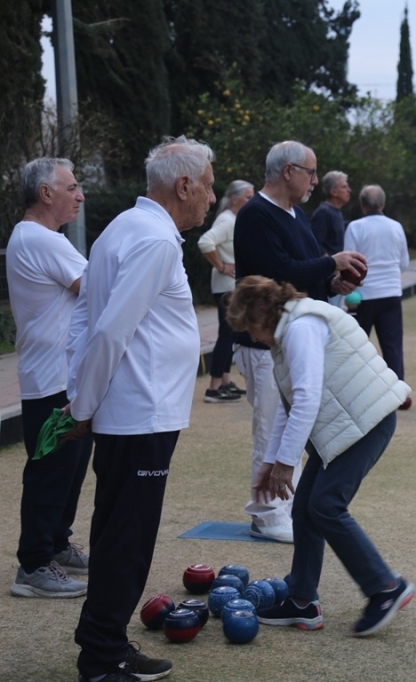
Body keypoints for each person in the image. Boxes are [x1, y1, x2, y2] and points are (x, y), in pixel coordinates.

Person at [66, 135, 216, 682]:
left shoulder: (121, 229)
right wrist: (81, 405)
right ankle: (103, 658)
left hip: (131, 413)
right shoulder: (155, 240)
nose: (211, 198)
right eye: (207, 186)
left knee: (114, 533)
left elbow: (84, 323)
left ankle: (100, 641)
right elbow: (107, 330)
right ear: (183, 185)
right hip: (142, 414)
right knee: (126, 540)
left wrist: (79, 395)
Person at [225, 276, 415, 637]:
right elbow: (289, 403)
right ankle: (302, 602)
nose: (251, 337)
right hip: (348, 425)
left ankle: (385, 588)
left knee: (326, 504)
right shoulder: (287, 332)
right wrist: (271, 462)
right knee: (305, 508)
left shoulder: (301, 328)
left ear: (263, 313)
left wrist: (285, 463)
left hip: (366, 421)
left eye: (250, 327)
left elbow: (308, 398)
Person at [233, 140, 367, 544]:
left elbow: (303, 272)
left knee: (293, 424)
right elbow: (276, 273)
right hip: (266, 342)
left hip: (299, 337)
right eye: (310, 172)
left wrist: (332, 280)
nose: (314, 179)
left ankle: (286, 505)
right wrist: (331, 262)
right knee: (270, 425)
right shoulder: (256, 214)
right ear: (287, 171)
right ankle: (268, 514)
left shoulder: (297, 213)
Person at [6, 158, 91, 600]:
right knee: (50, 471)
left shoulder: (37, 238)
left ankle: (55, 545)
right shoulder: (41, 239)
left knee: (70, 468)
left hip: (62, 374)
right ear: (45, 194)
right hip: (52, 377)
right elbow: (98, 287)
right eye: (72, 187)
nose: (79, 195)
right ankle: (34, 565)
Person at [344, 185, 412, 410]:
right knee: (392, 346)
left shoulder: (355, 226)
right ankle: (398, 393)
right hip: (391, 292)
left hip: (362, 296)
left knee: (357, 346)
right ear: (383, 204)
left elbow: (348, 263)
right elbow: (404, 263)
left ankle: (355, 395)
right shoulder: (396, 226)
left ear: (362, 205)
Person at [197, 179, 253, 403]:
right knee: (226, 334)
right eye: (248, 197)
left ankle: (226, 381)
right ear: (234, 199)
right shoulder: (227, 220)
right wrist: (221, 266)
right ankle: (214, 387)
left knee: (231, 334)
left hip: (231, 286)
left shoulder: (233, 219)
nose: (252, 201)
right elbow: (205, 242)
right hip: (226, 287)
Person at [310, 170, 352, 307]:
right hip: (327, 279)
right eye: (344, 187)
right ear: (333, 192)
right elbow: (315, 244)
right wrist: (333, 265)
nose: (349, 190)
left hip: (336, 277)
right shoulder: (323, 213)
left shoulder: (336, 212)